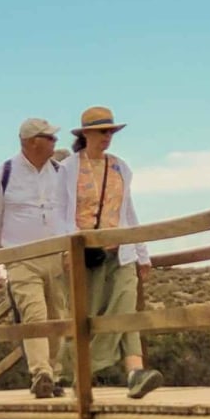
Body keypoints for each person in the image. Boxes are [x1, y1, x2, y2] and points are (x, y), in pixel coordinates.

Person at [58, 106, 163, 399]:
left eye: (111, 132)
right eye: (102, 131)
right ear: (86, 134)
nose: (108, 137)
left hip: (121, 250)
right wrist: (68, 248)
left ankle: (135, 372)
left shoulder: (120, 167)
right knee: (87, 315)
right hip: (85, 253)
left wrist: (142, 252)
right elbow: (60, 212)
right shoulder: (67, 168)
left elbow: (128, 211)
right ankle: (78, 373)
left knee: (126, 307)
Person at [0, 116, 69, 399]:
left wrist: (70, 250)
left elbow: (69, 215)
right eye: (50, 138)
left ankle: (53, 373)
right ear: (32, 142)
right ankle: (41, 372)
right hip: (21, 258)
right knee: (35, 314)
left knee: (58, 316)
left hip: (56, 254)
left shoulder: (61, 172)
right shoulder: (3, 174)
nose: (55, 142)